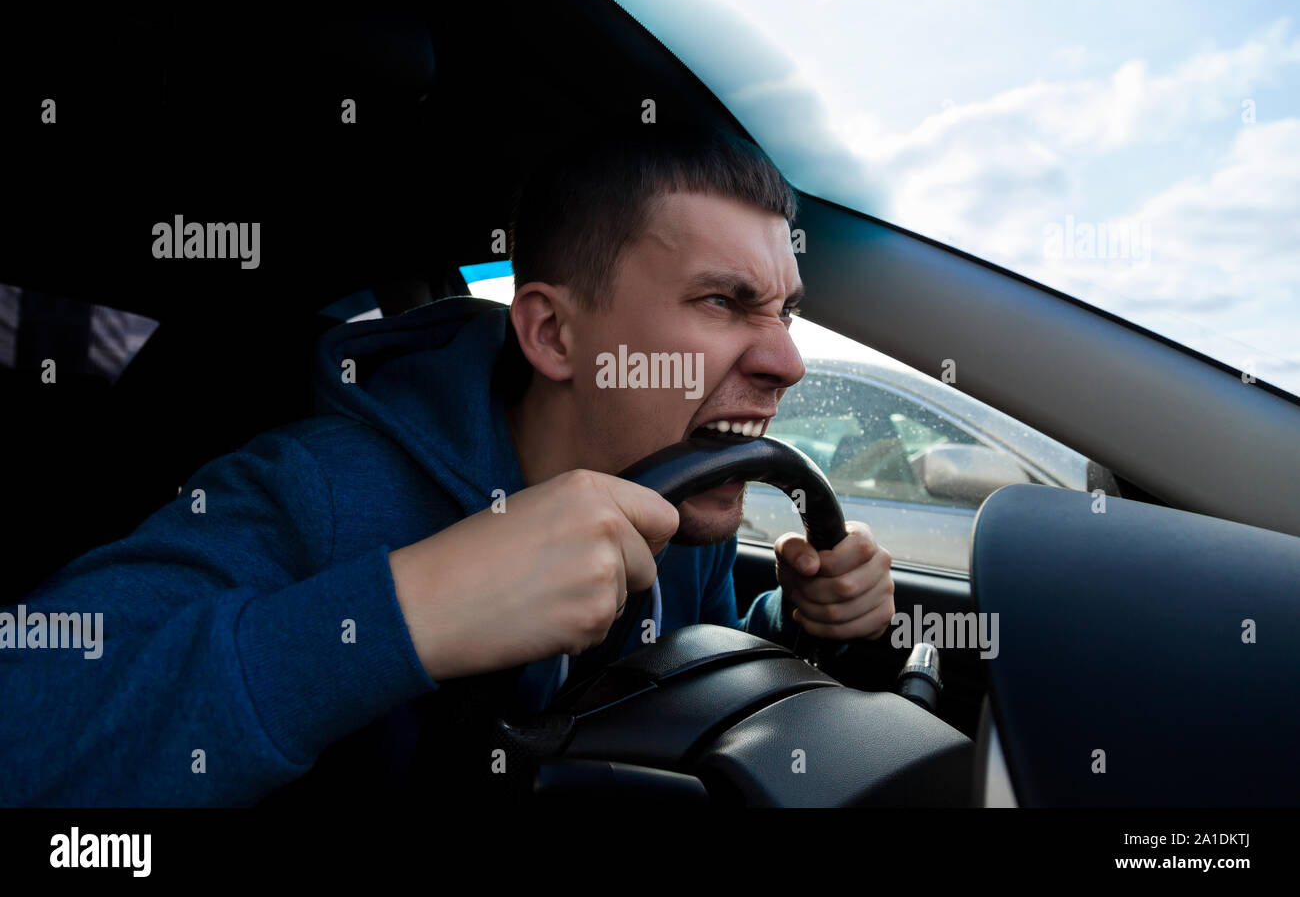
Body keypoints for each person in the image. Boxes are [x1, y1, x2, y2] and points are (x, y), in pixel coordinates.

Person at [0, 126, 894, 806]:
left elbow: (668, 683)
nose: (787, 362)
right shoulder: (320, 491)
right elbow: (26, 721)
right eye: (723, 302)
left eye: (783, 312)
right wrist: (414, 608)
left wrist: (801, 624)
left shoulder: (681, 494)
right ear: (551, 332)